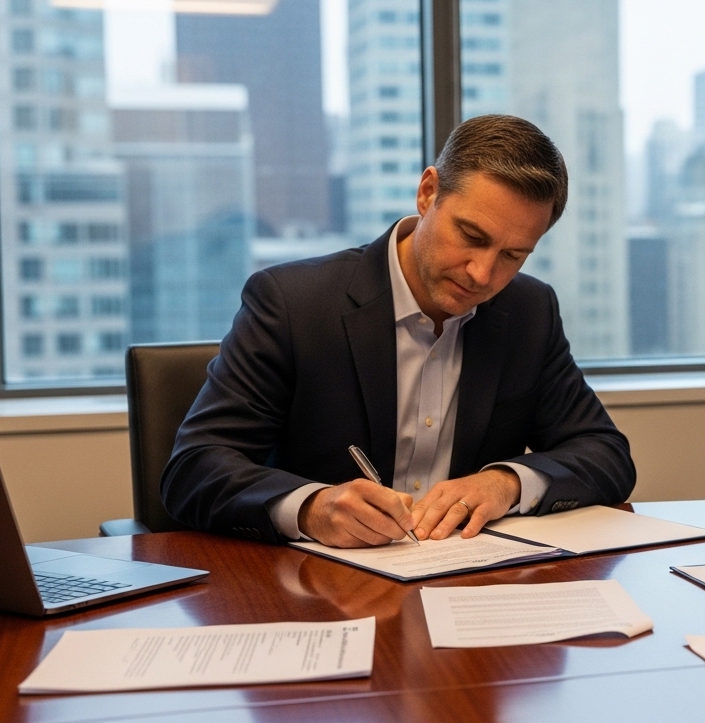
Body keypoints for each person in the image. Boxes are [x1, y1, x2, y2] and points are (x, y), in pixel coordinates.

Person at [164, 114, 636, 548]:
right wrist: (311, 508)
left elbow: (605, 454)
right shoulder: (292, 303)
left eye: (513, 255)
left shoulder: (529, 311)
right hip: (318, 589)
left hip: (468, 584)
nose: (482, 274)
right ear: (428, 192)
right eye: (471, 236)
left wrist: (506, 482)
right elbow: (194, 469)